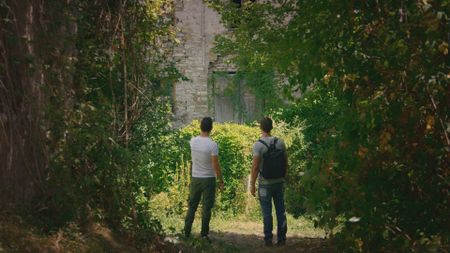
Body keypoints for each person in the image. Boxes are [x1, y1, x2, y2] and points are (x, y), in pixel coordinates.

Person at [183, 117, 224, 242]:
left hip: (195, 178)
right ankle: (204, 234)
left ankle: (186, 232)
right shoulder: (212, 145)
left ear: (200, 127)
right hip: (209, 179)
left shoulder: (193, 141)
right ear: (211, 128)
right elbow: (215, 165)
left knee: (192, 206)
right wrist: (220, 180)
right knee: (207, 207)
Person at [250, 117, 288, 247]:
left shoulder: (258, 145)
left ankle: (268, 239)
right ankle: (282, 239)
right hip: (279, 182)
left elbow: (255, 167)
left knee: (267, 212)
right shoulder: (281, 143)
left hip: (265, 183)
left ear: (261, 127)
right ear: (271, 127)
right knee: (280, 210)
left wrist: (252, 185)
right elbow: (285, 163)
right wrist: (284, 177)